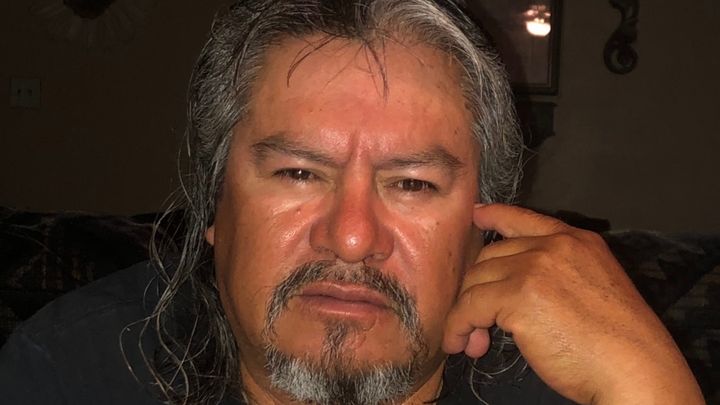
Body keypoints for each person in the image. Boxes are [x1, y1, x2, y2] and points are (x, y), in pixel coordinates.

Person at [0, 1, 705, 404]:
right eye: (299, 173)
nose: (352, 237)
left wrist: (651, 385)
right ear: (214, 205)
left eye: (413, 184)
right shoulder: (74, 370)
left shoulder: (575, 389)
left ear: (482, 230)